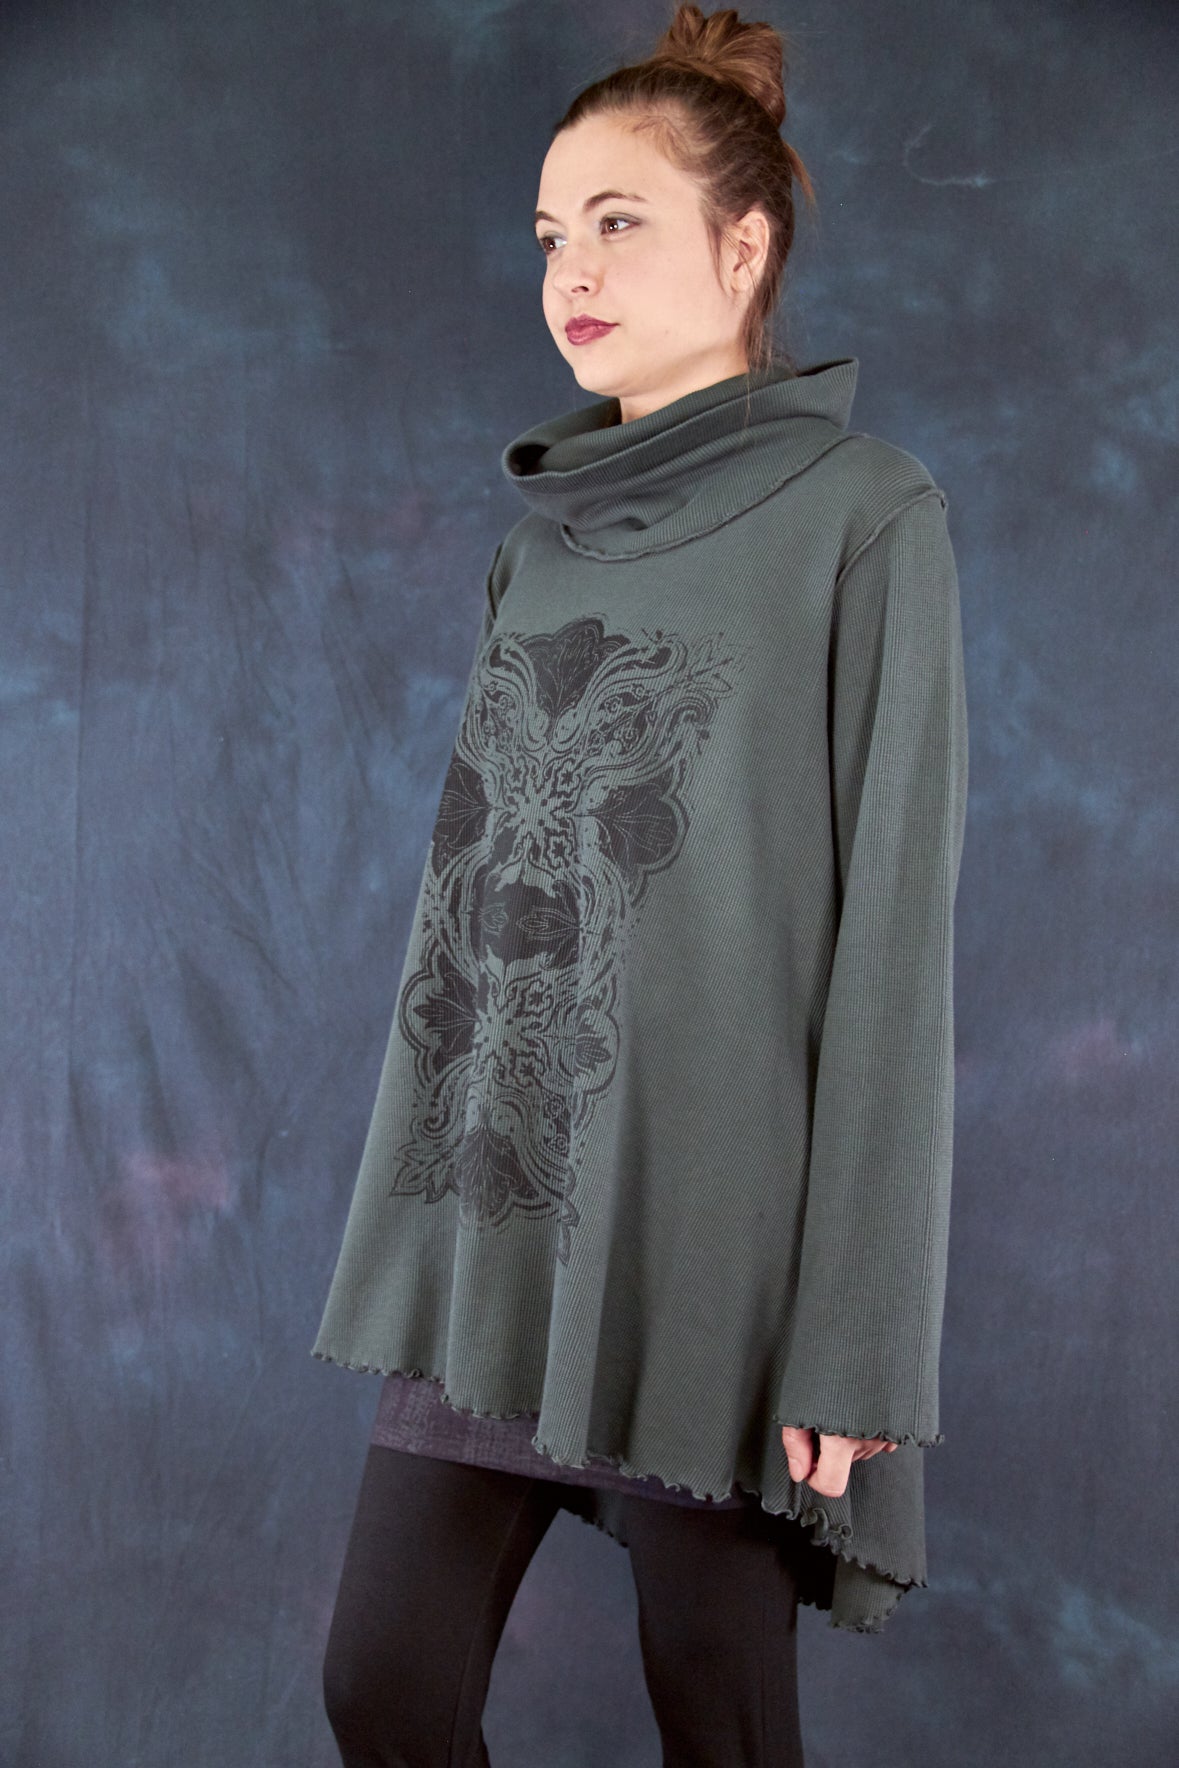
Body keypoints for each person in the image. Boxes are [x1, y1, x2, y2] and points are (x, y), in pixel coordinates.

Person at [316, 5, 969, 1764]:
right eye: (552, 235)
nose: (573, 274)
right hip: (501, 1216)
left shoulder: (867, 515)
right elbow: (470, 916)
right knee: (383, 1686)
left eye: (619, 222)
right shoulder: (534, 550)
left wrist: (857, 1338)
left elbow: (895, 952)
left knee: (720, 1716)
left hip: (716, 1245)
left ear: (743, 248)